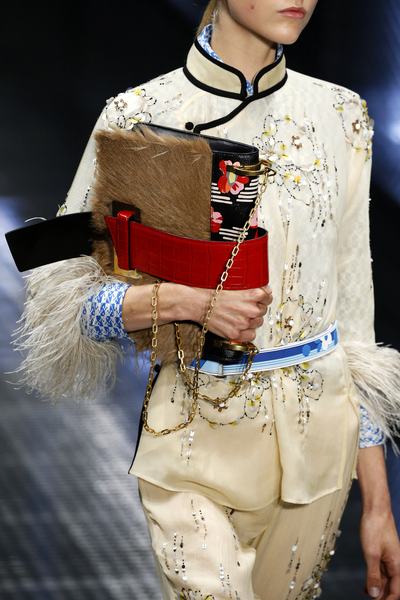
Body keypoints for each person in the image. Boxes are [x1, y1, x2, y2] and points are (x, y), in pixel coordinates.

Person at [14, 1, 400, 598]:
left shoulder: (341, 115)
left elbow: (353, 324)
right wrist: (183, 303)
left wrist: (378, 504)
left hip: (318, 455)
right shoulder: (137, 114)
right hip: (190, 443)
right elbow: (63, 305)